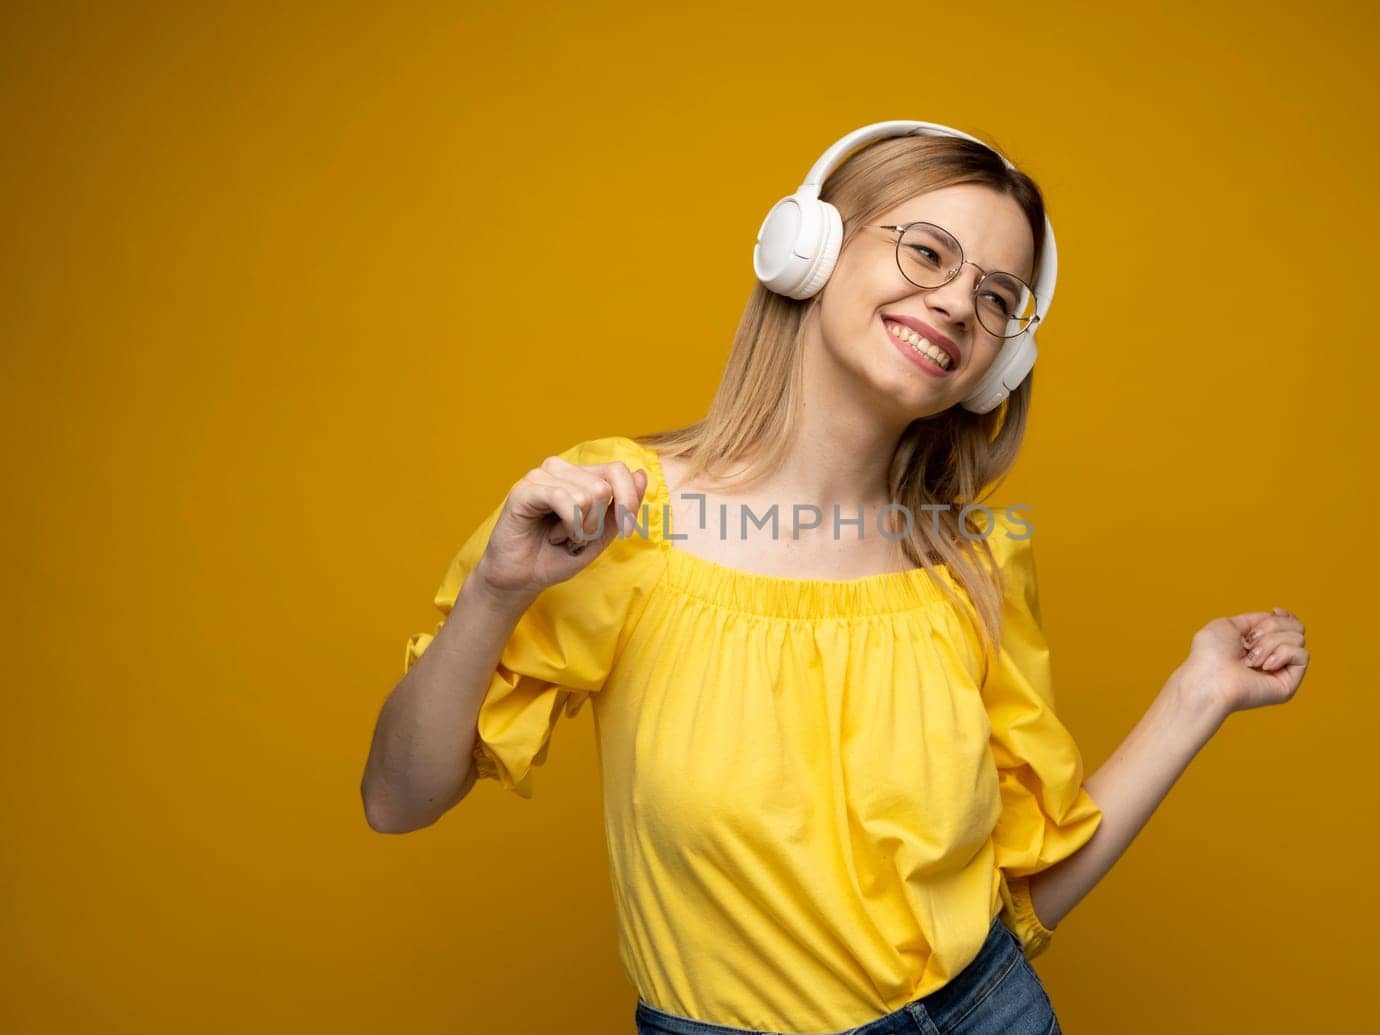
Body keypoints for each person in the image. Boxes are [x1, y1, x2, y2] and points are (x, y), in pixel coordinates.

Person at [360, 121, 1311, 1035]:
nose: (954, 304)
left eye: (994, 297)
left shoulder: (972, 569)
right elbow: (396, 801)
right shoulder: (616, 516)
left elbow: (1020, 895)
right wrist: (496, 590)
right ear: (809, 249)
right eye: (929, 254)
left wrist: (1199, 693)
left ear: (999, 358)